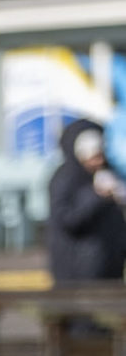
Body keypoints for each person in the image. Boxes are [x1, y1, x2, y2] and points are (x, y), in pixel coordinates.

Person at [48, 119, 126, 286]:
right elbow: (68, 219)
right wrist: (97, 196)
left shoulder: (108, 174)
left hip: (110, 266)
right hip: (78, 271)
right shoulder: (66, 178)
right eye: (93, 157)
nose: (98, 161)